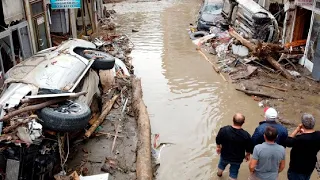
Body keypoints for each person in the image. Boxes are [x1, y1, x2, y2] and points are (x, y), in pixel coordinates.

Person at [216, 113, 253, 180]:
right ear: (243, 122)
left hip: (225, 155)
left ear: (232, 120)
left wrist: (218, 147)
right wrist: (248, 155)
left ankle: (219, 175)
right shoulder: (246, 135)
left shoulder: (224, 130)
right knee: (233, 173)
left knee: (221, 166)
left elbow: (218, 139)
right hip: (237, 158)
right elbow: (249, 147)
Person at [286, 113, 320, 180]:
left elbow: (288, 142)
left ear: (302, 124)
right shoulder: (318, 136)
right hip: (310, 166)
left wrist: (297, 130)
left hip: (297, 169)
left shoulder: (299, 139)